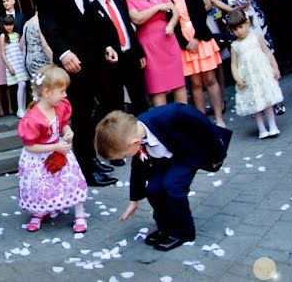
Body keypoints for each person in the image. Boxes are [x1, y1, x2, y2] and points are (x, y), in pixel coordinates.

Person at [34, 0, 118, 187]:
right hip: (73, 59)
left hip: (93, 57)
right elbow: (48, 23)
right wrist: (63, 53)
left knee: (100, 106)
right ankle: (85, 167)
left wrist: (107, 45)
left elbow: (92, 19)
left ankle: (91, 157)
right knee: (81, 113)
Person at [96, 106, 231, 251]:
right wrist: (134, 200)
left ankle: (184, 232)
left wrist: (217, 155)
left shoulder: (172, 115)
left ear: (134, 143)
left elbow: (203, 125)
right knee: (153, 189)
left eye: (124, 155)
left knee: (172, 185)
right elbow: (138, 168)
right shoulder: (136, 137)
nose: (126, 158)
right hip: (163, 159)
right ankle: (165, 228)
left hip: (185, 154)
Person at [17, 65, 88, 233]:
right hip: (38, 157)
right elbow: (30, 146)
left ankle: (80, 213)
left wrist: (67, 131)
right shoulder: (32, 119)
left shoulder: (60, 106)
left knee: (73, 180)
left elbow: (63, 124)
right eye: (62, 91)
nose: (65, 95)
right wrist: (55, 146)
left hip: (60, 152)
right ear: (47, 92)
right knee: (40, 186)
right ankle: (40, 210)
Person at [161, 0, 224, 125]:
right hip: (183, 42)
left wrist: (196, 38)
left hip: (200, 36)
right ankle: (203, 121)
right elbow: (170, 23)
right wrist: (185, 43)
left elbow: (201, 14)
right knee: (195, 83)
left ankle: (219, 118)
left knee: (210, 78)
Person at [90, 0, 149, 118]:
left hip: (130, 55)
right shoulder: (91, 9)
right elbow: (94, 36)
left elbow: (130, 28)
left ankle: (145, 132)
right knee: (116, 101)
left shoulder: (120, 2)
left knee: (139, 98)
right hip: (111, 61)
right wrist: (105, 48)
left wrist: (139, 52)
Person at [125, 0, 187, 106]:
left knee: (178, 84)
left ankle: (185, 121)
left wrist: (171, 23)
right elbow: (137, 18)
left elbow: (174, 11)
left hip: (169, 42)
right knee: (158, 89)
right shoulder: (130, 0)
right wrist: (157, 7)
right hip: (150, 48)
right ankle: (165, 126)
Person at [228, 9, 282, 138]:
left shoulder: (256, 37)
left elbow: (267, 52)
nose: (239, 31)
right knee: (256, 105)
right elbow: (233, 64)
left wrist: (275, 68)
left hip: (261, 75)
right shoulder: (235, 45)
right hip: (249, 79)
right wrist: (237, 79)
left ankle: (272, 125)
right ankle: (262, 128)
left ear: (247, 23)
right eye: (235, 29)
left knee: (267, 101)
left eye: (240, 27)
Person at [0, 14, 29, 118]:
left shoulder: (17, 34)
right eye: (6, 25)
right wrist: (9, 66)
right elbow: (2, 53)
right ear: (3, 25)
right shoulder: (3, 36)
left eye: (10, 25)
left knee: (24, 85)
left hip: (20, 62)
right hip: (12, 63)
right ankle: (19, 109)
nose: (8, 27)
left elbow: (21, 48)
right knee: (21, 84)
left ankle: (23, 109)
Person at [21, 11, 52, 81]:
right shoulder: (40, 21)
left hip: (27, 61)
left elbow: (21, 45)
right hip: (40, 61)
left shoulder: (27, 23)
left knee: (37, 88)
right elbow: (45, 46)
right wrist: (54, 62)